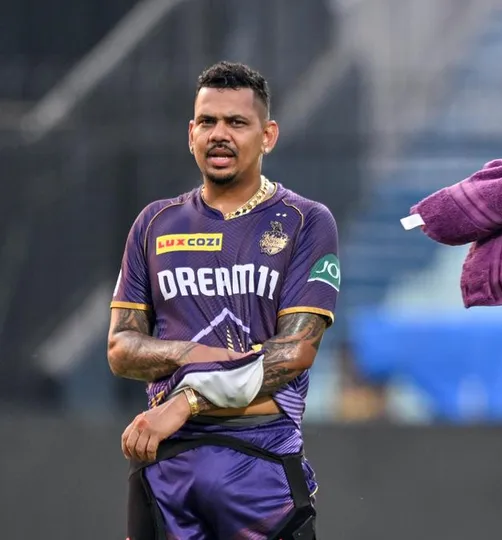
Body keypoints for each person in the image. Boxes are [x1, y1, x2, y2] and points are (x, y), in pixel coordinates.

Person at [107, 61, 340, 540]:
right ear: (190, 132)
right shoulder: (155, 223)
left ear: (268, 134)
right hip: (165, 469)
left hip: (261, 464)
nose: (220, 134)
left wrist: (188, 397)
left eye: (237, 122)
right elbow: (121, 349)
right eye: (208, 122)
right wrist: (194, 355)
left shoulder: (306, 222)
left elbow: (295, 352)